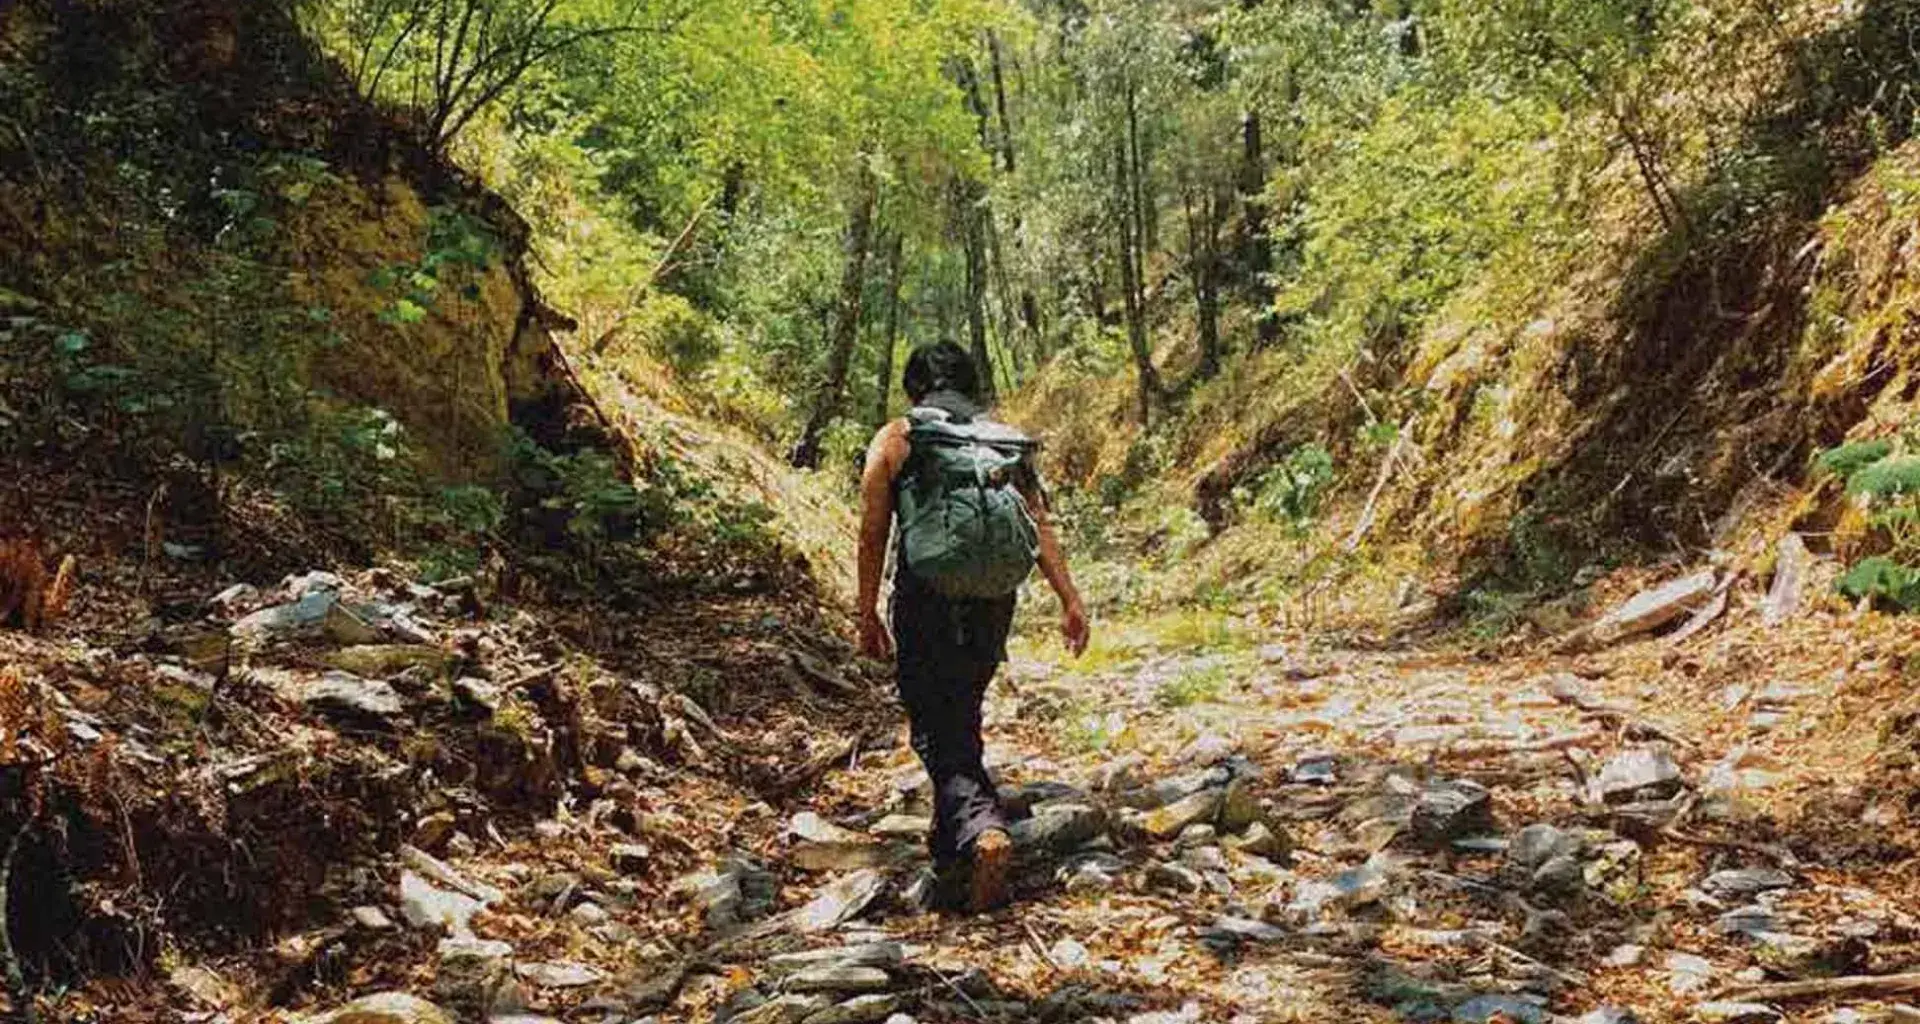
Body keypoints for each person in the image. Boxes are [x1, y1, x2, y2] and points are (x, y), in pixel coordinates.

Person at [856, 341, 1090, 913]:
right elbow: (1038, 524)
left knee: (933, 724)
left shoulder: (898, 437)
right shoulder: (1001, 440)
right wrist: (1070, 599)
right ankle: (952, 851)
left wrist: (865, 611)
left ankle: (982, 829)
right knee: (962, 709)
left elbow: (872, 531)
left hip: (926, 595)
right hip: (993, 597)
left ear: (915, 387)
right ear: (970, 383)